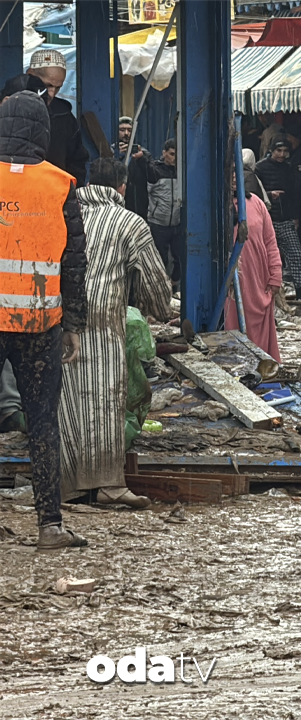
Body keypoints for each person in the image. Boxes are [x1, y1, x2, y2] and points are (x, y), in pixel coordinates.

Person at [0, 91, 88, 549]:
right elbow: (74, 261)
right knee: (41, 422)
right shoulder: (60, 184)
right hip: (39, 322)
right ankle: (50, 525)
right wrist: (73, 323)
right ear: (44, 132)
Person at [59, 158, 172, 508]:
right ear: (121, 187)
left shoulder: (64, 214)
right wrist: (160, 310)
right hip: (104, 318)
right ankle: (108, 485)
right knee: (106, 402)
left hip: (60, 317)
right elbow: (155, 282)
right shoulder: (129, 222)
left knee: (67, 403)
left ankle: (68, 489)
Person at [224, 171, 283, 362]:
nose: (234, 177)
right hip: (230, 283)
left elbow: (270, 241)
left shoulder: (256, 203)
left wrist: (275, 275)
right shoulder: (215, 205)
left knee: (259, 328)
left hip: (258, 279)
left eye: (237, 171)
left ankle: (262, 367)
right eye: (229, 171)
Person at [26, 50, 88, 187]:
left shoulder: (64, 116)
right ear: (30, 74)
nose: (52, 93)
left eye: (58, 87)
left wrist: (72, 190)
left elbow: (77, 161)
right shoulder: (8, 107)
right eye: (48, 85)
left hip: (55, 191)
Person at [255, 139, 301, 300]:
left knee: (296, 256)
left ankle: (300, 293)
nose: (282, 154)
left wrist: (295, 217)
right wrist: (269, 195)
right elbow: (254, 193)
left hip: (285, 220)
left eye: (285, 151)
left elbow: (294, 195)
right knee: (263, 258)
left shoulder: (289, 169)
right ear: (272, 150)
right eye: (279, 150)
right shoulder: (259, 168)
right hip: (266, 220)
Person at [147, 140, 182, 288]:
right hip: (158, 222)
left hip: (176, 222)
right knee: (160, 258)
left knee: (179, 258)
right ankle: (160, 288)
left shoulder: (182, 171)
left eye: (177, 155)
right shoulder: (155, 171)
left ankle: (173, 285)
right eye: (171, 154)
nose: (174, 158)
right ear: (164, 153)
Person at [115, 117, 154, 219]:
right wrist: (117, 156)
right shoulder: (111, 151)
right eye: (122, 130)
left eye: (129, 130)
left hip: (139, 207)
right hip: (117, 205)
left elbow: (153, 176)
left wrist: (141, 159)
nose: (126, 133)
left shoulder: (143, 153)